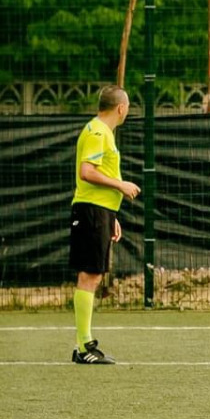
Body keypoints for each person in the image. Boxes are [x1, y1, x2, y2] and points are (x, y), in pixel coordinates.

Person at [70, 86, 139, 364]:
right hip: (91, 211)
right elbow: (86, 172)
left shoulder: (102, 131)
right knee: (90, 275)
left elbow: (100, 173)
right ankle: (84, 347)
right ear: (121, 108)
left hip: (99, 211)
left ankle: (83, 344)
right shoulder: (98, 132)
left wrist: (112, 215)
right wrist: (121, 186)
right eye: (128, 107)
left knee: (93, 275)